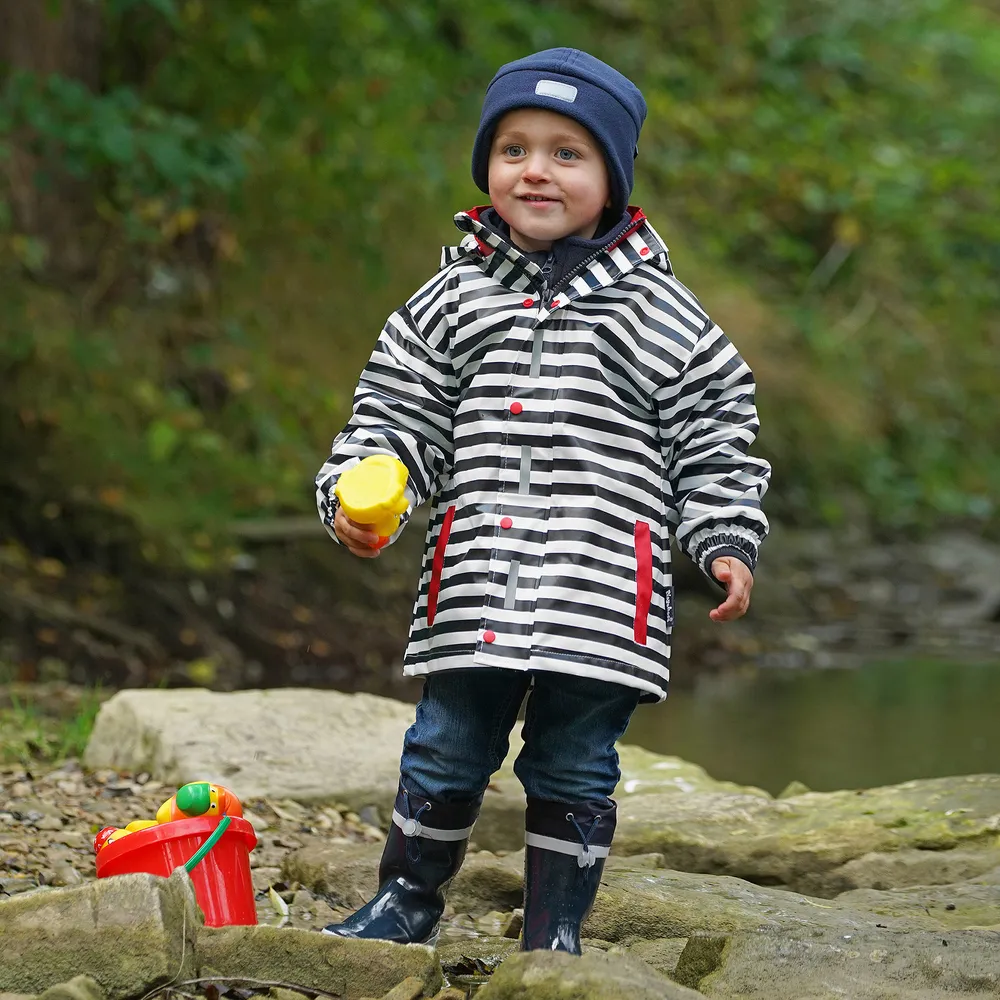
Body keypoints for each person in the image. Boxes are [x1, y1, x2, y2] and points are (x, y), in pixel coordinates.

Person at [315, 47, 770, 953]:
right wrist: (364, 500)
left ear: (613, 178)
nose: (536, 169)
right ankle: (406, 901)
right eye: (515, 147)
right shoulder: (452, 298)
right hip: (479, 575)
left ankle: (553, 935)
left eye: (568, 153)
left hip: (602, 587)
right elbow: (397, 414)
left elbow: (716, 427)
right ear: (487, 166)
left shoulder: (661, 311)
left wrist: (721, 532)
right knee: (446, 743)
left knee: (573, 759)